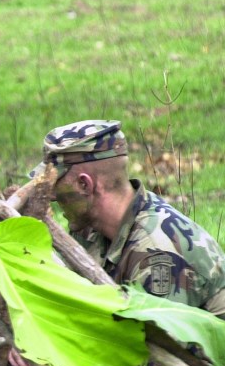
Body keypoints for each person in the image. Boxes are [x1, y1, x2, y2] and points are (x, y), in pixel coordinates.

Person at [35, 119, 225, 315]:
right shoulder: (90, 229)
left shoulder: (158, 252)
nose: (51, 195)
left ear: (85, 185)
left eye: (55, 183)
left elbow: (157, 342)